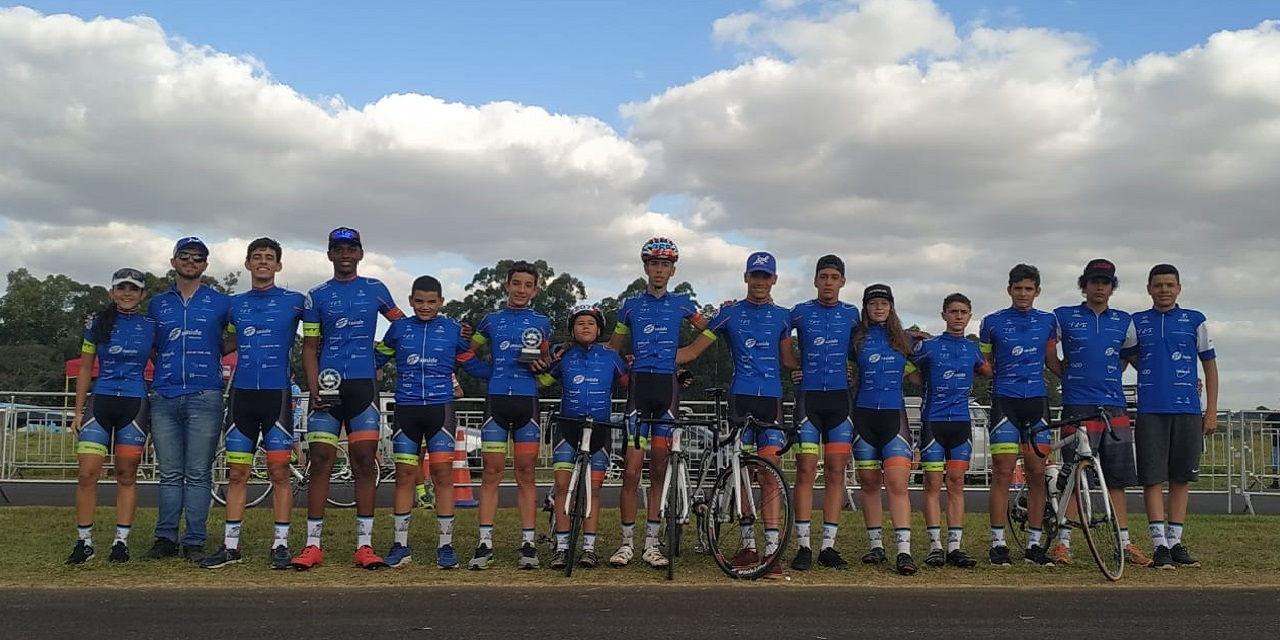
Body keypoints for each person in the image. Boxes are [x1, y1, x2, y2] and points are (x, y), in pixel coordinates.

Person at [677, 251, 798, 579]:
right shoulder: (728, 314)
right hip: (740, 398)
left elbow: (789, 361)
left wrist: (830, 369)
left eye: (765, 276)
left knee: (770, 471)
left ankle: (772, 549)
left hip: (771, 399)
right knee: (740, 471)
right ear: (746, 277)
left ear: (774, 280)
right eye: (755, 275)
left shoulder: (784, 317)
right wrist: (653, 358)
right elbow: (693, 350)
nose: (760, 281)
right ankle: (747, 545)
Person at [292, 227, 405, 570]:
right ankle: (312, 545)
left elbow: (403, 326)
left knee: (365, 462)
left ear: (360, 253)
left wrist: (380, 358)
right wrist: (313, 386)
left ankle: (364, 545)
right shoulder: (317, 295)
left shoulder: (375, 288)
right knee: (320, 460)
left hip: (362, 386)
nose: (345, 254)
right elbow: (309, 346)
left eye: (351, 248)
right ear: (329, 254)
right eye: (338, 249)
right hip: (327, 387)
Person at [201, 238, 306, 570]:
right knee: (237, 473)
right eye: (257, 257)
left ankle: (281, 544)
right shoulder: (235, 305)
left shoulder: (295, 301)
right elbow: (222, 340)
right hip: (242, 396)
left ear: (278, 265)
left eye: (269, 257)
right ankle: (231, 546)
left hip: (277, 395)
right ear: (247, 264)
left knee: (279, 472)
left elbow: (322, 333)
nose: (263, 262)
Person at [374, 275, 489, 570]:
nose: (425, 306)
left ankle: (445, 546)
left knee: (442, 475)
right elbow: (375, 360)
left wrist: (509, 370)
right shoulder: (398, 329)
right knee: (404, 475)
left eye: (431, 302)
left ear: (441, 302)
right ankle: (400, 544)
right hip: (406, 410)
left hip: (440, 410)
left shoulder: (452, 330)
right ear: (411, 301)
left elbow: (473, 366)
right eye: (419, 301)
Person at [605, 237, 707, 569]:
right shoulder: (630, 305)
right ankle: (626, 543)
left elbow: (712, 329)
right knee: (631, 472)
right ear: (645, 267)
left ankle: (651, 544)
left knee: (659, 469)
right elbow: (613, 347)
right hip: (639, 388)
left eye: (665, 265)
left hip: (667, 389)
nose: (659, 270)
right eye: (654, 264)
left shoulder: (683, 304)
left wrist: (687, 354)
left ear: (673, 270)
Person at [1048, 258, 1152, 567]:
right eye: (1094, 281)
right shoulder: (1063, 315)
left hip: (1114, 406)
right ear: (1084, 285)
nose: (1099, 287)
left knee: (1116, 479)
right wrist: (1066, 374)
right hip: (1077, 407)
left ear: (1112, 287)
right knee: (1074, 477)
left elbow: (1129, 357)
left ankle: (1124, 543)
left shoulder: (1124, 320)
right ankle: (1063, 543)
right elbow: (1049, 354)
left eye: (1105, 282)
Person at [1125, 263, 1218, 569]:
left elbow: (1209, 366)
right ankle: (1159, 545)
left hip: (1188, 410)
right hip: (1150, 410)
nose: (1164, 290)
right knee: (1152, 478)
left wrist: (1211, 410)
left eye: (1169, 285)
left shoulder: (1195, 320)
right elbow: (1129, 358)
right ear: (1149, 289)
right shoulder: (1137, 322)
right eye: (1158, 285)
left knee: (1181, 477)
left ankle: (1175, 541)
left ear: (1179, 288)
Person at [146, 237, 232, 562]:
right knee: (169, 472)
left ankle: (194, 539)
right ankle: (165, 537)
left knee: (197, 472)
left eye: (198, 258)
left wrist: (217, 350)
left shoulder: (220, 302)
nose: (191, 262)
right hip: (165, 393)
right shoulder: (157, 303)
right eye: (185, 256)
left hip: (205, 393)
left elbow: (240, 332)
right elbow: (151, 344)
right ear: (174, 262)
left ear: (205, 265)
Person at [466, 261, 552, 570]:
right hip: (497, 401)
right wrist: (489, 373)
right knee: (491, 472)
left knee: (526, 473)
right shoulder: (490, 320)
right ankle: (485, 543)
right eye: (516, 283)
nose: (521, 290)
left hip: (527, 401)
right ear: (507, 285)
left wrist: (543, 365)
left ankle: (528, 543)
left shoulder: (542, 322)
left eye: (528, 285)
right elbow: (467, 353)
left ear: (535, 290)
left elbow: (546, 359)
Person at [66, 268, 156, 564]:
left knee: (126, 474)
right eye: (121, 288)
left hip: (135, 403)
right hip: (100, 402)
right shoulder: (96, 322)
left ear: (142, 295)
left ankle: (121, 542)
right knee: (87, 473)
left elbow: (163, 363)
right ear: (112, 292)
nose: (127, 293)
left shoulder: (151, 325)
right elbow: (84, 368)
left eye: (133, 289)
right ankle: (84, 542)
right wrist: (77, 411)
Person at [534, 304, 629, 570]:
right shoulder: (563, 356)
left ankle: (589, 548)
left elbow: (630, 384)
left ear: (599, 330)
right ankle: (562, 548)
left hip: (599, 430)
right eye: (580, 323)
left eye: (591, 323)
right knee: (562, 487)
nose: (585, 327)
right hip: (567, 428)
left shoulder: (611, 357)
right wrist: (538, 362)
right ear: (572, 330)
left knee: (593, 491)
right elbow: (542, 382)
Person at [977, 264, 1059, 567]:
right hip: (1005, 402)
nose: (1023, 294)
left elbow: (1052, 361)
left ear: (1037, 291)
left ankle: (1034, 544)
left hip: (1037, 401)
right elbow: (983, 362)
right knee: (1002, 472)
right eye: (1018, 288)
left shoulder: (1048, 321)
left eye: (1028, 289)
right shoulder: (992, 322)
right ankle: (998, 543)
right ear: (1009, 290)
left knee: (1037, 473)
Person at [787, 254, 859, 570]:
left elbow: (867, 345)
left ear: (842, 281)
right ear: (815, 280)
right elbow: (773, 333)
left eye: (834, 277)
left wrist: (854, 370)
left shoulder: (853, 314)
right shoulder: (800, 312)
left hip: (840, 401)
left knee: (835, 472)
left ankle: (828, 546)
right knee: (805, 469)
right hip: (809, 399)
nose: (828, 283)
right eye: (823, 277)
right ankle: (803, 545)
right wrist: (792, 365)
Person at [913, 293, 990, 569]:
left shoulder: (972, 348)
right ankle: (935, 545)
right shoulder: (929, 346)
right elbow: (908, 366)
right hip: (933, 422)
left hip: (960, 423)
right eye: (953, 311)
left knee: (956, 482)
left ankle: (955, 546)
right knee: (933, 483)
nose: (958, 316)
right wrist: (922, 381)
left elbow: (987, 370)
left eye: (963, 312)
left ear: (970, 316)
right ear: (943, 314)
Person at [849, 284, 920, 576]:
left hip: (894, 417)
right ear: (866, 307)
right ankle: (876, 545)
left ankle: (904, 551)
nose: (878, 308)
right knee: (868, 482)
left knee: (897, 483)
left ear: (891, 307)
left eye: (884, 303)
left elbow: (919, 375)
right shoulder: (856, 338)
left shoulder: (906, 339)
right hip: (863, 416)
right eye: (873, 303)